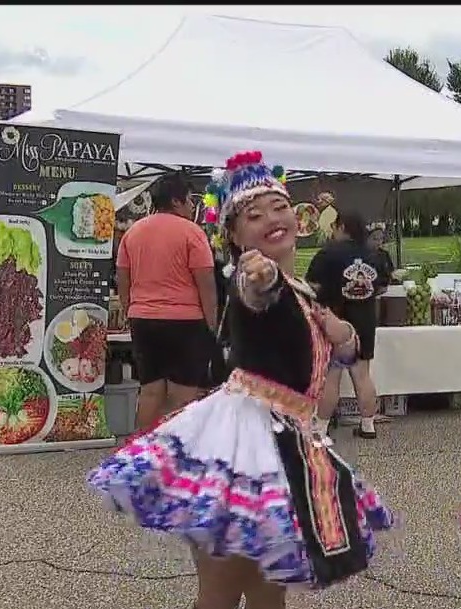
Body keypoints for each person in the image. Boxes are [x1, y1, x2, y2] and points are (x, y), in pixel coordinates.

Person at [88, 150, 395, 609]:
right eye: (253, 215)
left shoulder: (305, 292)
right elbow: (257, 290)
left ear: (299, 215)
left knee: (268, 594)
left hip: (286, 441)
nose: (272, 218)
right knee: (222, 593)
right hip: (244, 445)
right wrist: (259, 275)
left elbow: (346, 349)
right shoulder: (257, 278)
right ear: (233, 234)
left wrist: (341, 330)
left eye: (279, 207)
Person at [116, 172, 219, 429]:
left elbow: (123, 279)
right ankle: (175, 455)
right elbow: (206, 283)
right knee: (182, 396)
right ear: (176, 201)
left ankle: (139, 451)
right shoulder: (193, 233)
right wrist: (213, 324)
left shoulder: (133, 232)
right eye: (189, 200)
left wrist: (132, 311)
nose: (193, 206)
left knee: (150, 391)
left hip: (143, 319)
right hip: (185, 323)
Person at [306, 211, 390, 439]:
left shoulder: (328, 254)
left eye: (334, 226)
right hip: (365, 320)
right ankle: (368, 424)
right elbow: (382, 286)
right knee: (362, 375)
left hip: (335, 322)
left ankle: (321, 428)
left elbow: (311, 283)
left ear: (342, 227)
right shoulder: (374, 255)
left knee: (331, 375)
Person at [366, 222, 396, 287]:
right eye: (375, 239)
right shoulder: (361, 256)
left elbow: (391, 272)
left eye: (381, 238)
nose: (379, 242)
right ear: (367, 239)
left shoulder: (385, 254)